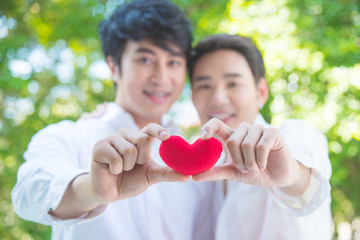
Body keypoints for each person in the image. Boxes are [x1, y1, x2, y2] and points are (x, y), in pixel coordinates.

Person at [11, 1, 223, 239]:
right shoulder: (69, 136)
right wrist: (92, 189)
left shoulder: (202, 157)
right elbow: (29, 194)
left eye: (173, 62)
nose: (161, 77)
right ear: (113, 65)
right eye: (145, 59)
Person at [188, 34, 332, 239]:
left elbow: (307, 183)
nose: (218, 99)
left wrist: (290, 174)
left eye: (233, 84)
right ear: (193, 96)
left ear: (261, 92)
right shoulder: (203, 172)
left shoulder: (294, 134)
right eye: (204, 86)